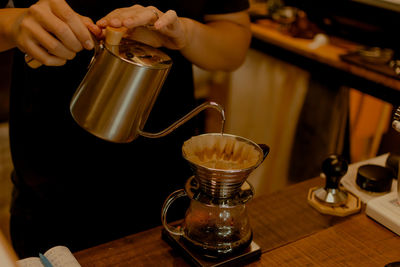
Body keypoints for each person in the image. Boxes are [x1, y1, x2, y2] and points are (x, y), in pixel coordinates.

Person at [0, 0, 251, 259]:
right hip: (48, 195)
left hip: (165, 196)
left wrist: (185, 34)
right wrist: (13, 25)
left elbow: (234, 42)